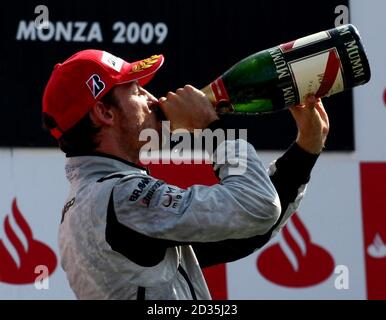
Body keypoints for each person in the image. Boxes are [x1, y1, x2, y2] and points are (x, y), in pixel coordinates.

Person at [42, 49, 329, 300]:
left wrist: (304, 152)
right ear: (105, 112)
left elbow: (242, 231)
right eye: (136, 89)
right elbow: (256, 205)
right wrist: (212, 131)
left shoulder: (97, 200)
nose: (152, 98)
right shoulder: (118, 197)